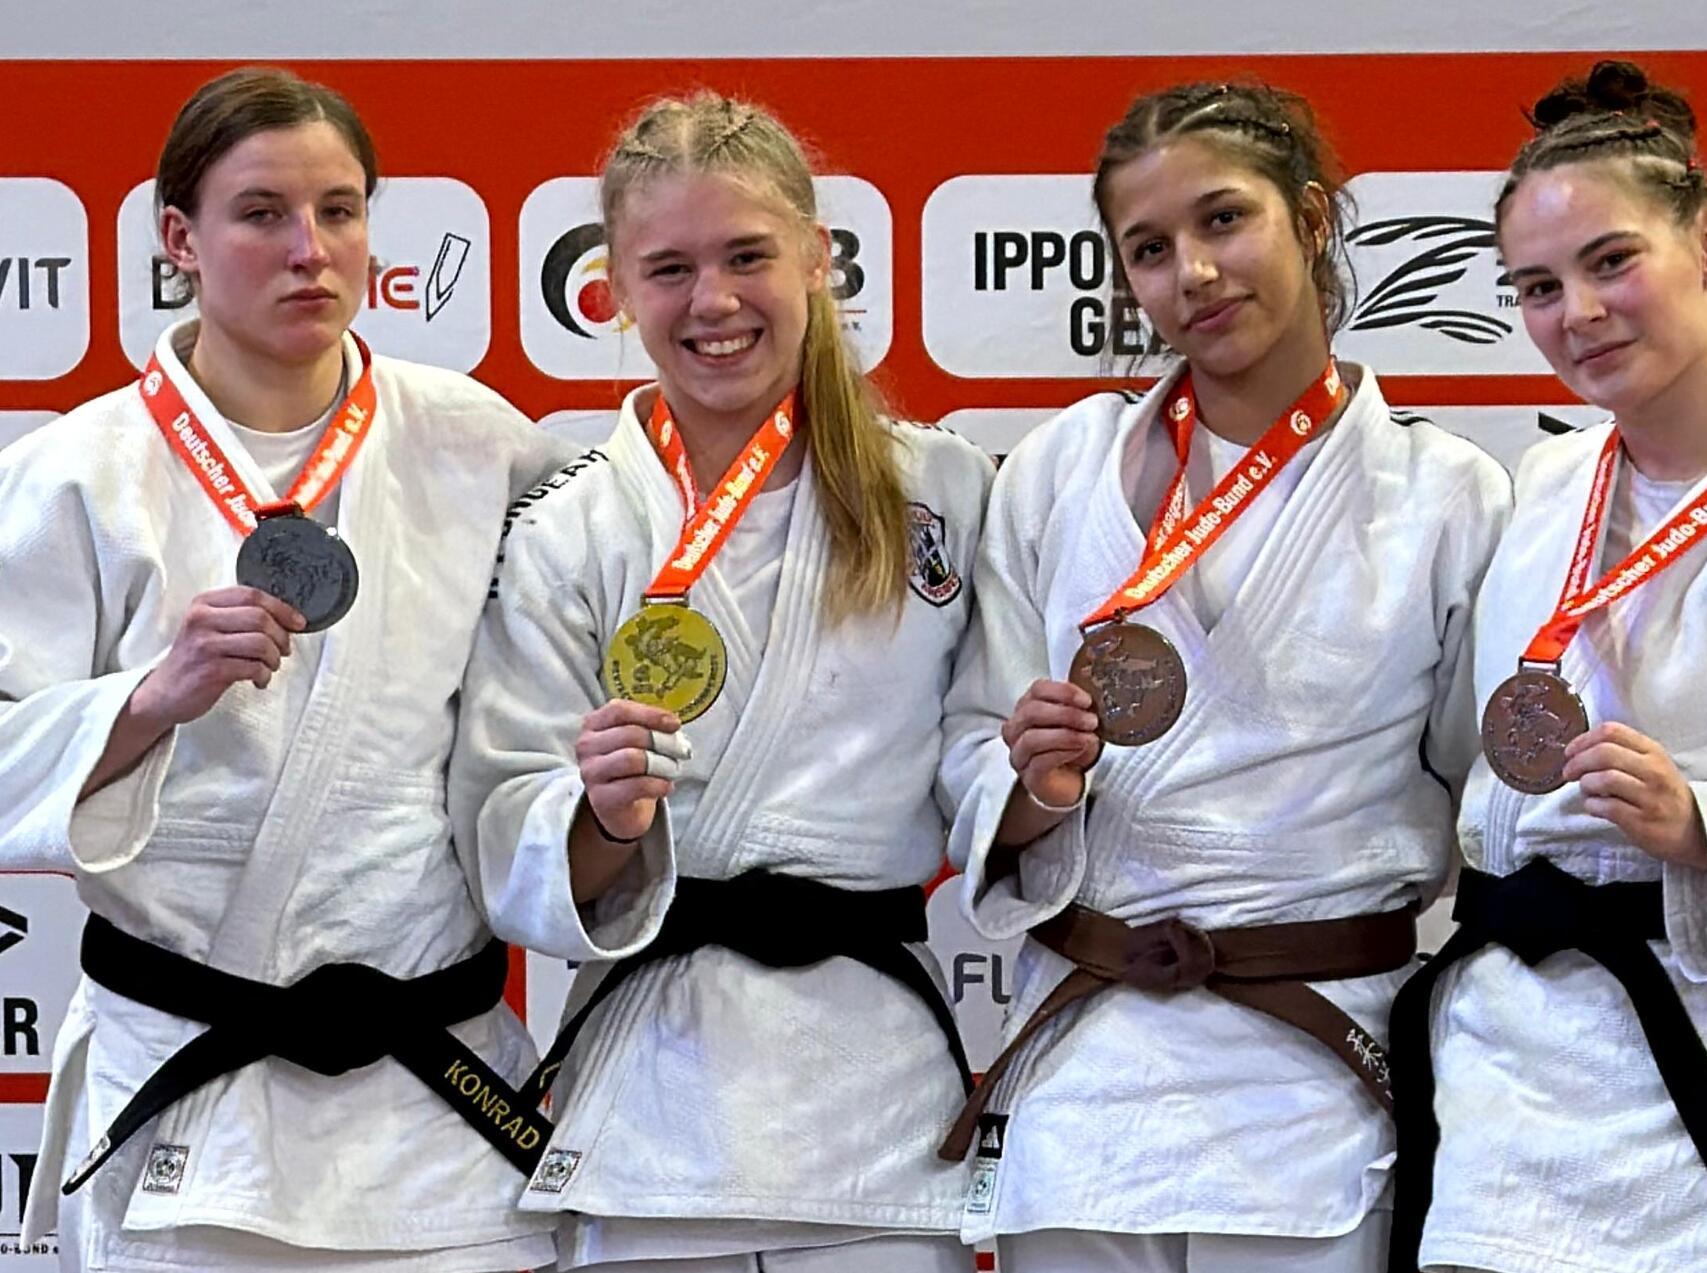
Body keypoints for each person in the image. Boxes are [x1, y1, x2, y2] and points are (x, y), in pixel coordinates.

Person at [0, 67, 572, 1272]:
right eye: (262, 213)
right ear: (180, 239)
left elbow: (561, 688)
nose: (310, 249)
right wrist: (147, 700)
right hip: (191, 1091)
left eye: (339, 210)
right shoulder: (75, 473)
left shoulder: (479, 443)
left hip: (432, 1096)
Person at [937, 80, 1510, 1272]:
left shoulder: (1445, 495)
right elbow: (971, 741)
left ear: (1311, 218)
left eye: (1224, 220)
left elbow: (1489, 799)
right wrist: (1032, 786)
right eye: (1149, 249)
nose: (1192, 273)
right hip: (1089, 1080)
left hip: (1315, 1073)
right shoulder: (1059, 471)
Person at [450, 92, 990, 1273]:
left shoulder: (942, 493)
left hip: (878, 1108)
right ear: (615, 289)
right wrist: (601, 818)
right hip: (655, 1107)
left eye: (748, 256)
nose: (714, 301)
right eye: (670, 269)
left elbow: (984, 756)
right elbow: (506, 827)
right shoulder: (568, 526)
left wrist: (1038, 770)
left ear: (816, 256)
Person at [1387, 60, 1707, 1273]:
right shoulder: (1546, 485)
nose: (1578, 313)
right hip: (1511, 1101)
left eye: (1611, 261)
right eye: (1538, 287)